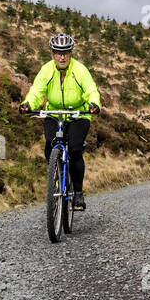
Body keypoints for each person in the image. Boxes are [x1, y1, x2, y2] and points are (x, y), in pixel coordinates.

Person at [18, 32, 100, 210]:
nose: (62, 56)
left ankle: (78, 193)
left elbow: (91, 90)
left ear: (71, 53)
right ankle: (55, 173)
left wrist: (94, 103)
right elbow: (37, 91)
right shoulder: (47, 69)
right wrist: (27, 104)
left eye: (65, 52)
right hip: (54, 113)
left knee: (76, 149)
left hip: (79, 114)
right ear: (53, 53)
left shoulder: (80, 70)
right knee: (50, 143)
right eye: (58, 52)